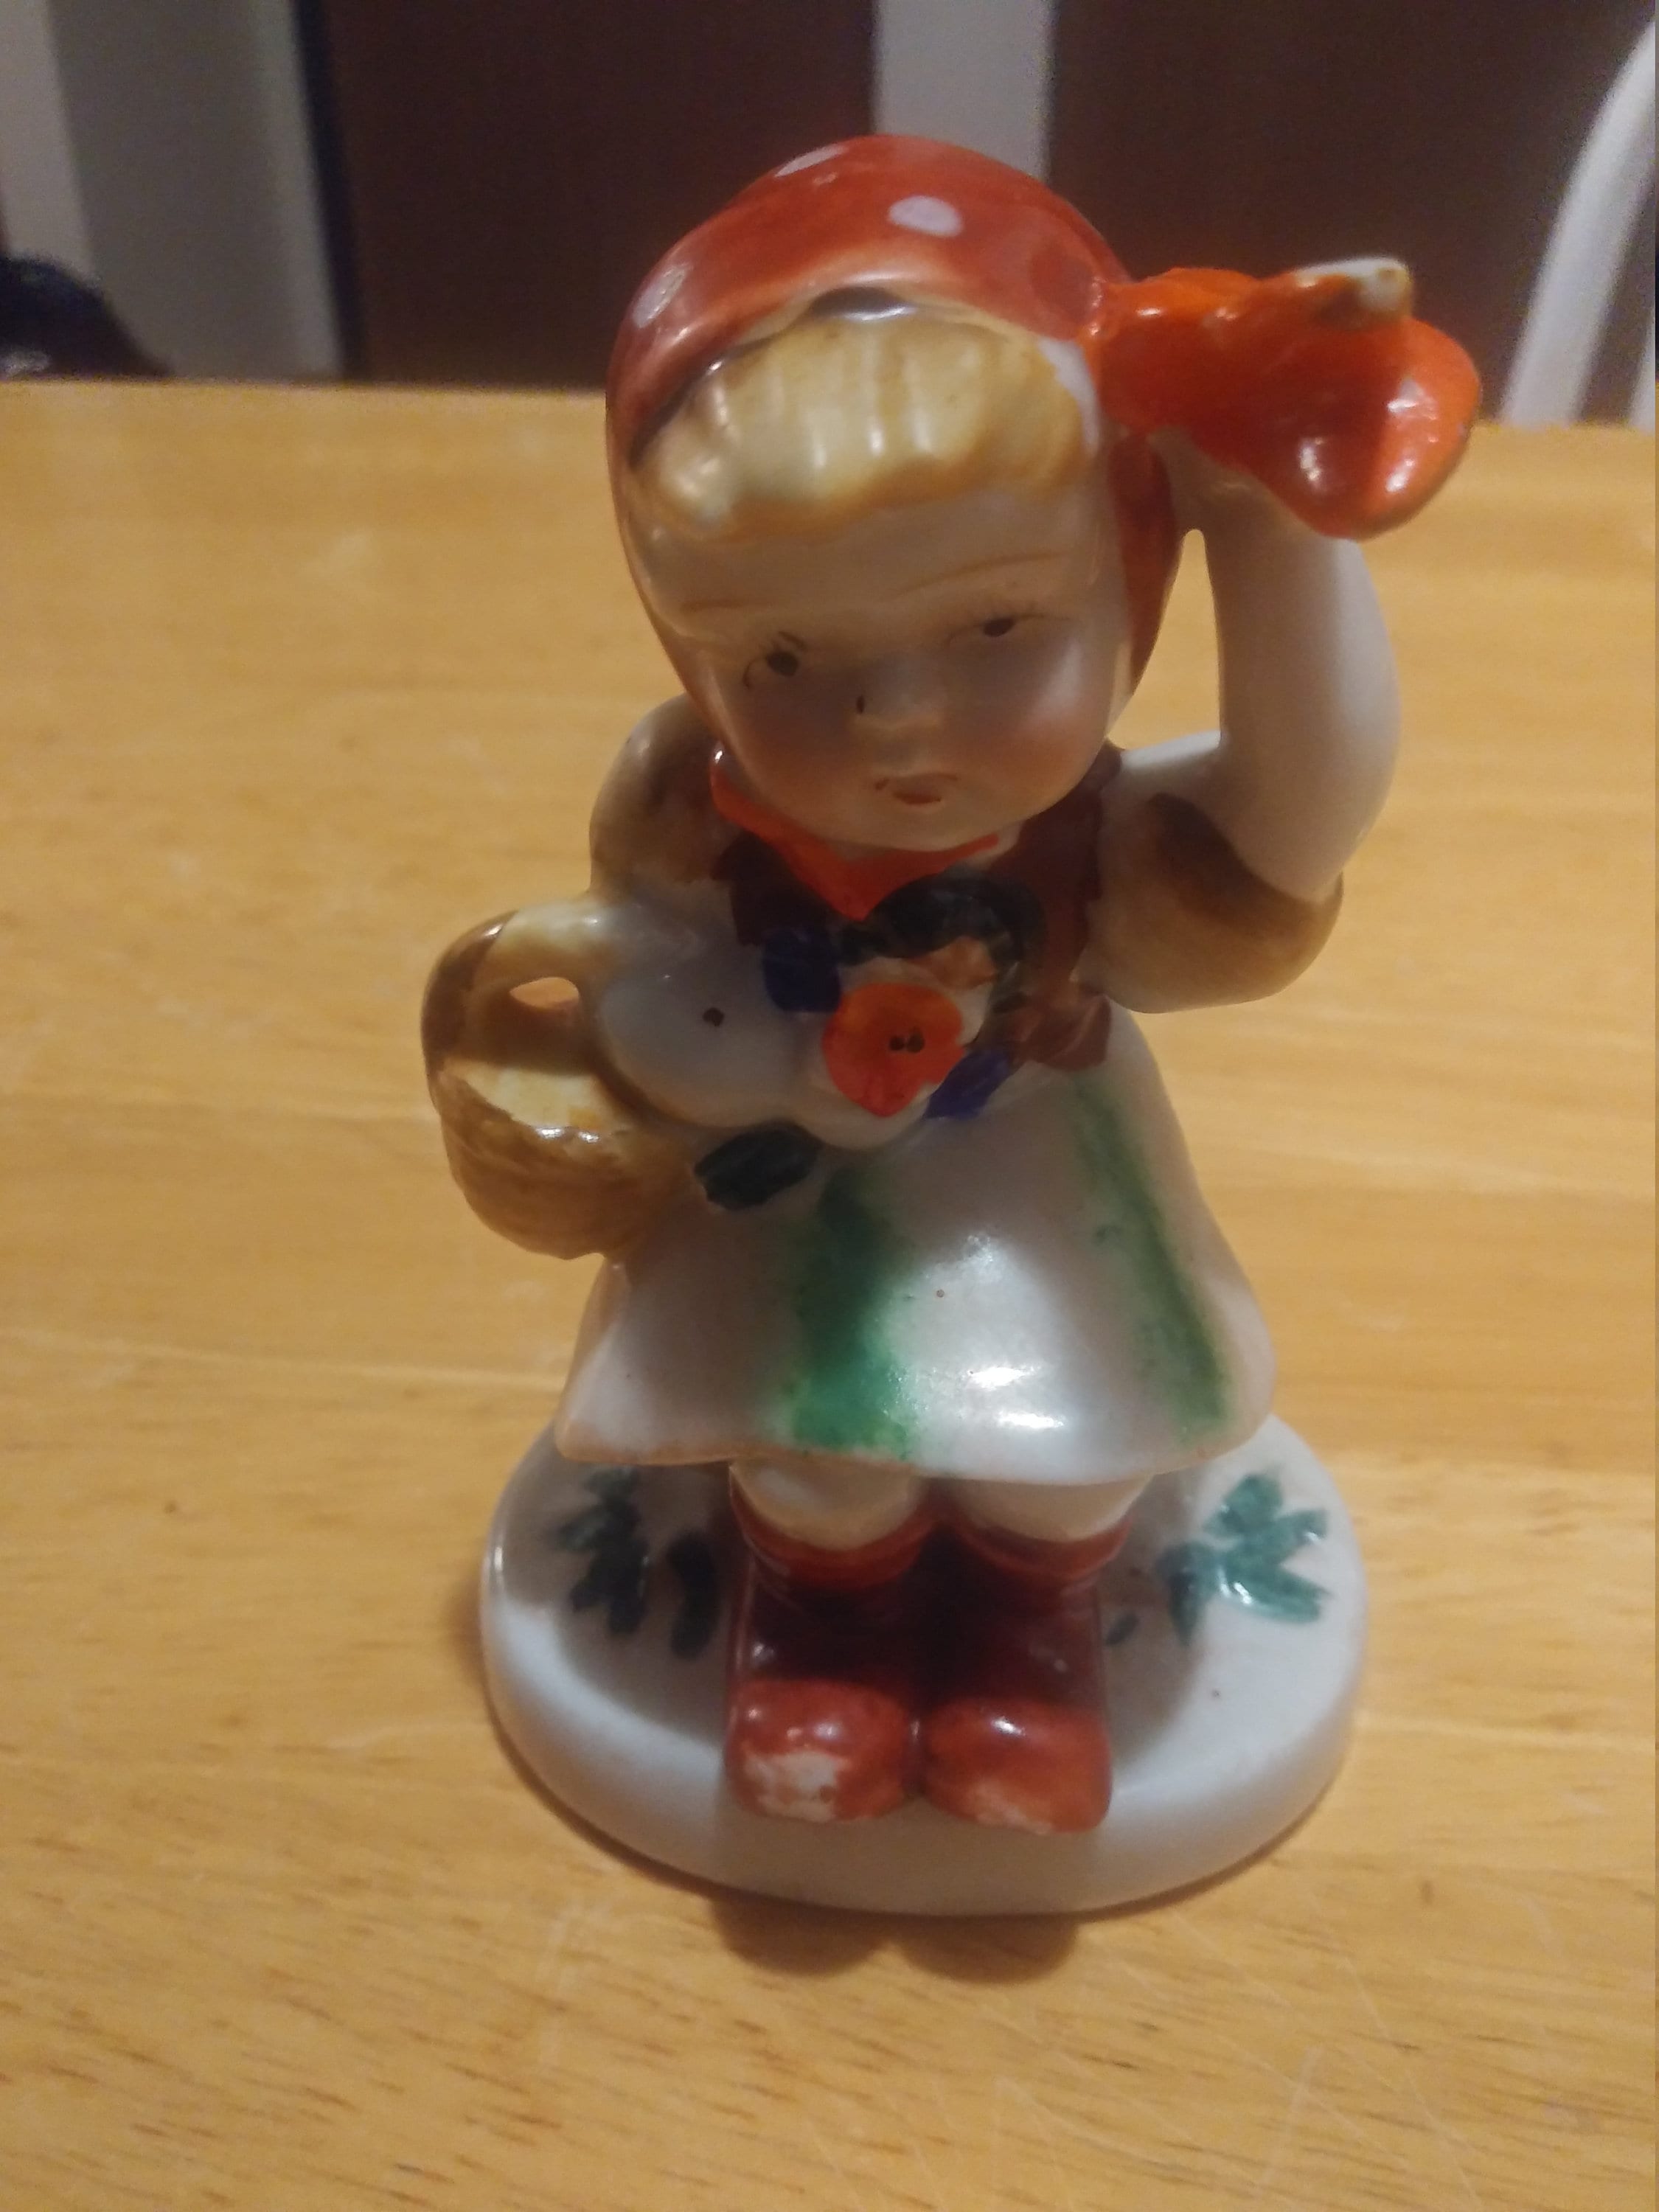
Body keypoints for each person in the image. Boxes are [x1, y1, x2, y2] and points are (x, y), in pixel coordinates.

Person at [426, 138, 1476, 1835]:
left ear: (1123, 570)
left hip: (1045, 1191)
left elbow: (1301, 813)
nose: (898, 719)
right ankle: (823, 1634)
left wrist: (1261, 522)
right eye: (786, 659)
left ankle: (1025, 1644)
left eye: (994, 629)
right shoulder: (695, 811)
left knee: (1068, 1453)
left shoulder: (1088, 842)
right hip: (792, 1207)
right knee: (813, 1454)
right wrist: (751, 1069)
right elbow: (639, 981)